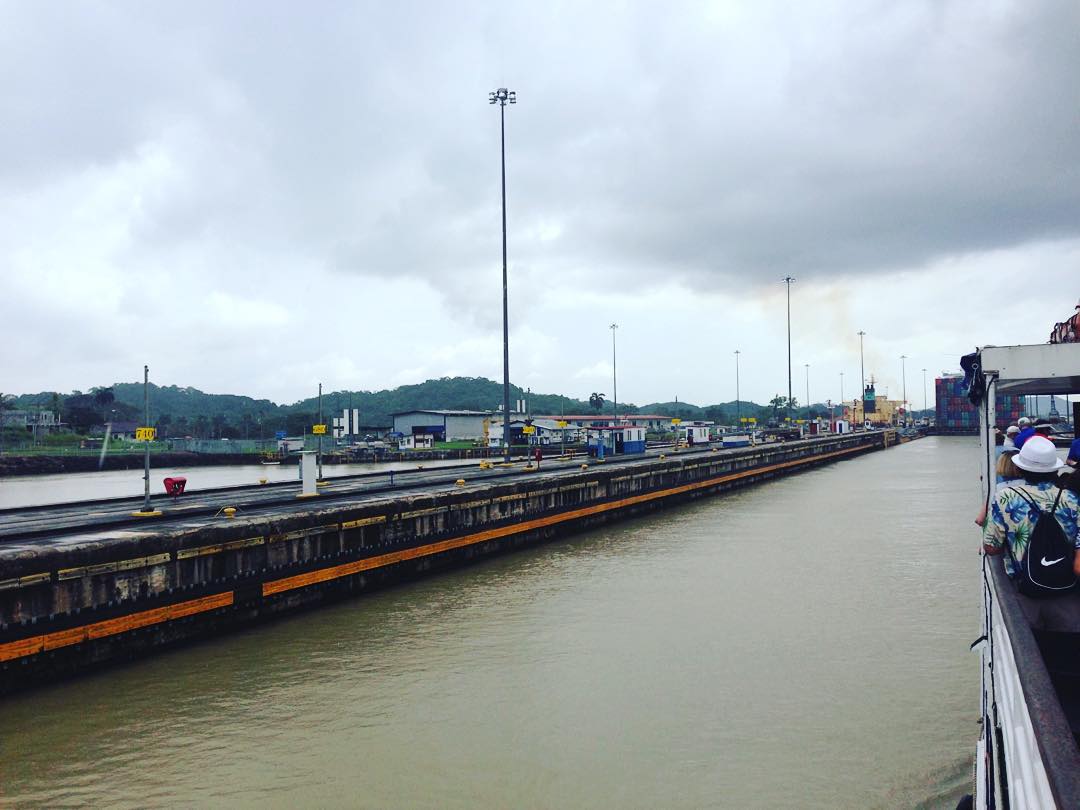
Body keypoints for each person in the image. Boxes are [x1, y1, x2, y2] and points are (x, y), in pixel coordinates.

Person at [983, 436, 1080, 630]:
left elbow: (991, 548)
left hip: (1024, 592)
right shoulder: (1071, 498)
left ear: (1019, 468)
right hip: (1066, 592)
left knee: (1028, 645)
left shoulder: (1004, 498)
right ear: (1055, 469)